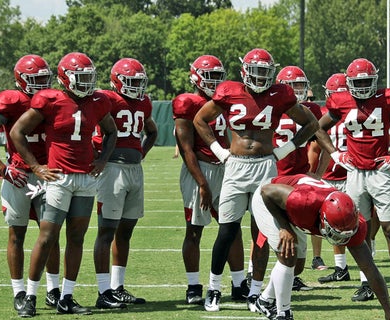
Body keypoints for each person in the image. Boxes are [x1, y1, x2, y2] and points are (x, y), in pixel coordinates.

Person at [193, 48, 338, 312]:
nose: (260, 78)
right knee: (227, 230)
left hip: (264, 167)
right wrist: (219, 152)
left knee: (261, 233)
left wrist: (285, 149)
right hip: (235, 166)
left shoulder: (280, 94)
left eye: (265, 73)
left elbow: (311, 123)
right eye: (256, 72)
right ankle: (213, 288)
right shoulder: (228, 90)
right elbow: (200, 120)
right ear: (245, 71)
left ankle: (255, 292)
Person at [10, 52, 118, 317]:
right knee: (47, 237)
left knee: (77, 238)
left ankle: (67, 297)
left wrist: (103, 159)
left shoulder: (98, 101)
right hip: (59, 178)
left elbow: (111, 131)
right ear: (66, 78)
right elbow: (17, 132)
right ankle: (31, 297)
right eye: (81, 77)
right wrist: (36, 166)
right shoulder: (50, 99)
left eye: (88, 77)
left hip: (85, 177)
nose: (86, 82)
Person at [319, 58, 390, 304]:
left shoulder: (387, 98)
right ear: (348, 83)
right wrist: (336, 154)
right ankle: (365, 284)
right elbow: (318, 127)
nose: (363, 86)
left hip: (381, 172)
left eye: (367, 81)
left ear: (375, 80)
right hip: (355, 173)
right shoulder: (341, 100)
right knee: (360, 230)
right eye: (358, 82)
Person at [0, 54, 62, 317]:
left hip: (48, 173)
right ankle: (19, 292)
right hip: (20, 174)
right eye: (35, 79)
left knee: (51, 235)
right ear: (21, 80)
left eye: (45, 79)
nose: (41, 84)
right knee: (16, 234)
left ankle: (53, 291)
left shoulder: (54, 99)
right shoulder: (12, 102)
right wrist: (3, 169)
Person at [250, 174, 390, 320]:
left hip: (293, 206)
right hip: (268, 200)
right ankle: (283, 314)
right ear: (323, 219)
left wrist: (389, 310)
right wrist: (285, 228)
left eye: (344, 236)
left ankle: (264, 301)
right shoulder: (304, 201)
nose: (340, 240)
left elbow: (369, 268)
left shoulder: (354, 224)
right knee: (288, 255)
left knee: (297, 266)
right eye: (336, 234)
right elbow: (267, 192)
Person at [172, 55, 247, 305]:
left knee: (232, 228)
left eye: (218, 75)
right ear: (196, 77)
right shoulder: (186, 102)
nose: (215, 81)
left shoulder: (225, 100)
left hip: (226, 168)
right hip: (200, 170)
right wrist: (202, 183)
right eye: (210, 76)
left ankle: (238, 284)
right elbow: (186, 149)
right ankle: (193, 286)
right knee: (194, 231)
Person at [92, 58, 158, 309]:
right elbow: (89, 124)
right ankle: (103, 291)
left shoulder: (144, 102)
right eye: (131, 81)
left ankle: (117, 287)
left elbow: (152, 131)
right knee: (106, 230)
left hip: (134, 169)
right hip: (112, 169)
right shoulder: (106, 98)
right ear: (117, 81)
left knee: (126, 231)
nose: (136, 86)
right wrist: (97, 156)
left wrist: (141, 152)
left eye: (139, 82)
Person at [274, 65, 326, 284]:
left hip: (300, 177)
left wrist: (317, 175)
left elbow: (322, 144)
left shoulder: (311, 110)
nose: (297, 90)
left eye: (300, 85)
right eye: (292, 86)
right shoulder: (271, 107)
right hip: (274, 176)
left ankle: (290, 277)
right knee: (264, 232)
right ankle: (251, 273)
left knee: (299, 255)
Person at [308, 73, 353, 284]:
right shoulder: (356, 110)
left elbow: (315, 145)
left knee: (338, 221)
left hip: (341, 173)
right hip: (348, 172)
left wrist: (313, 173)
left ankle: (342, 266)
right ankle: (341, 265)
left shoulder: (328, 113)